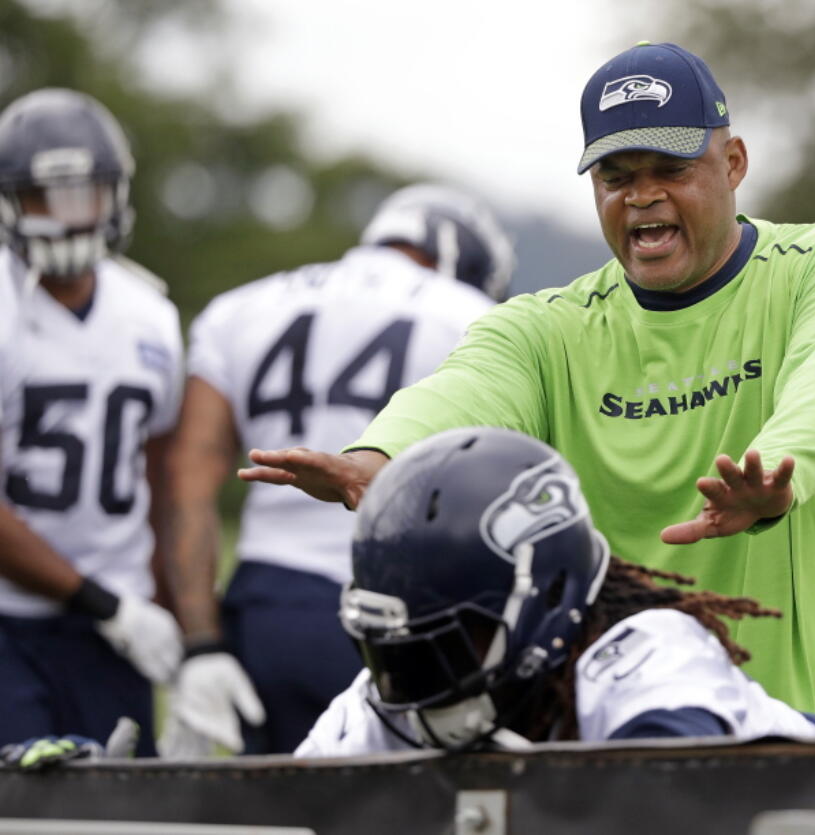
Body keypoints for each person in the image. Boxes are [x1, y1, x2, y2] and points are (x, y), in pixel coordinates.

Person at [242, 42, 815, 732]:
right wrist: (379, 456)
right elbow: (468, 387)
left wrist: (779, 468)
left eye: (670, 169)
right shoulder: (547, 329)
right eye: (615, 176)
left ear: (733, 163)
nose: (642, 195)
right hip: (622, 755)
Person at [160, 184, 513, 756]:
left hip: (266, 604)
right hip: (403, 606)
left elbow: (188, 480)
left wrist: (200, 642)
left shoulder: (242, 307)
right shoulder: (476, 318)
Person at [296, 427, 815, 755]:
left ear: (548, 595)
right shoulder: (386, 697)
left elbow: (666, 800)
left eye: (452, 639)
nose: (417, 676)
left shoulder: (646, 658)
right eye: (395, 649)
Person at [0, 88, 184, 756]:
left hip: (117, 632)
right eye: (46, 196)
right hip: (13, 624)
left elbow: (160, 487)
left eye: (86, 193)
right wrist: (109, 605)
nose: (69, 217)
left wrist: (189, 635)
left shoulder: (151, 315)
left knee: (121, 817)